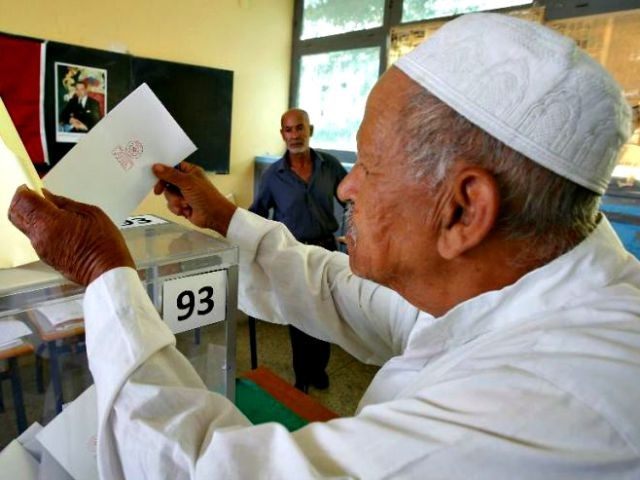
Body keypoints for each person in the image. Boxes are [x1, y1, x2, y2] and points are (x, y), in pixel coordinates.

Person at [10, 13, 640, 479]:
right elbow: (346, 290)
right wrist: (229, 219)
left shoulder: (548, 408)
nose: (348, 190)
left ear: (465, 208)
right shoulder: (523, 279)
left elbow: (206, 470)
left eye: (369, 164)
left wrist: (102, 270)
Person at [250, 108, 347, 392]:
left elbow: (351, 199)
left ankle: (319, 370)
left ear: (310, 130)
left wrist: (354, 231)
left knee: (325, 314)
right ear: (283, 135)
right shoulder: (273, 176)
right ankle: (302, 375)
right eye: (289, 130)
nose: (294, 135)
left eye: (299, 128)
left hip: (327, 251)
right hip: (292, 254)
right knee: (300, 317)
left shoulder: (329, 165)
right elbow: (257, 213)